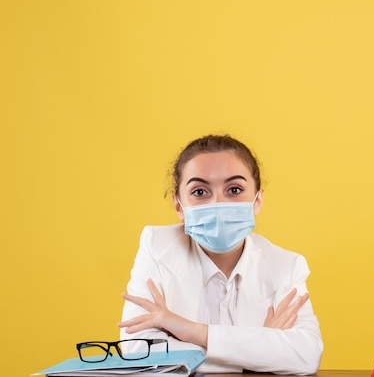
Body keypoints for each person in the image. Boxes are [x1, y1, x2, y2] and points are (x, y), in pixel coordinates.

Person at [118, 134, 323, 374]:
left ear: (257, 201)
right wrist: (261, 348)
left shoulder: (286, 265)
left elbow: (307, 355)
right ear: (178, 206)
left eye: (234, 189)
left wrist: (192, 331)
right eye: (200, 192)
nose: (218, 202)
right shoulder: (157, 246)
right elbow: (138, 351)